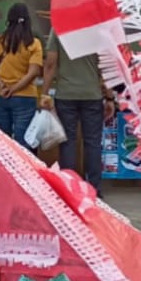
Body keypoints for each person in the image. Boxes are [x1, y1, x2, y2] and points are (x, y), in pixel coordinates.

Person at [41, 24, 114, 194]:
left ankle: (70, 188)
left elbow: (50, 64)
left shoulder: (58, 28)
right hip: (92, 95)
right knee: (93, 142)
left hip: (65, 95)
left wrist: (44, 93)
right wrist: (109, 97)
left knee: (68, 142)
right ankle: (94, 188)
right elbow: (105, 68)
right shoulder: (97, 30)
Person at [0, 3, 43, 148]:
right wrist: (15, 88)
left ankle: (4, 169)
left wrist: (1, 85)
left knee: (2, 139)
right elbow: (33, 72)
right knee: (23, 140)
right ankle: (21, 169)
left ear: (8, 20)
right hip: (24, 96)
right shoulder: (33, 43)